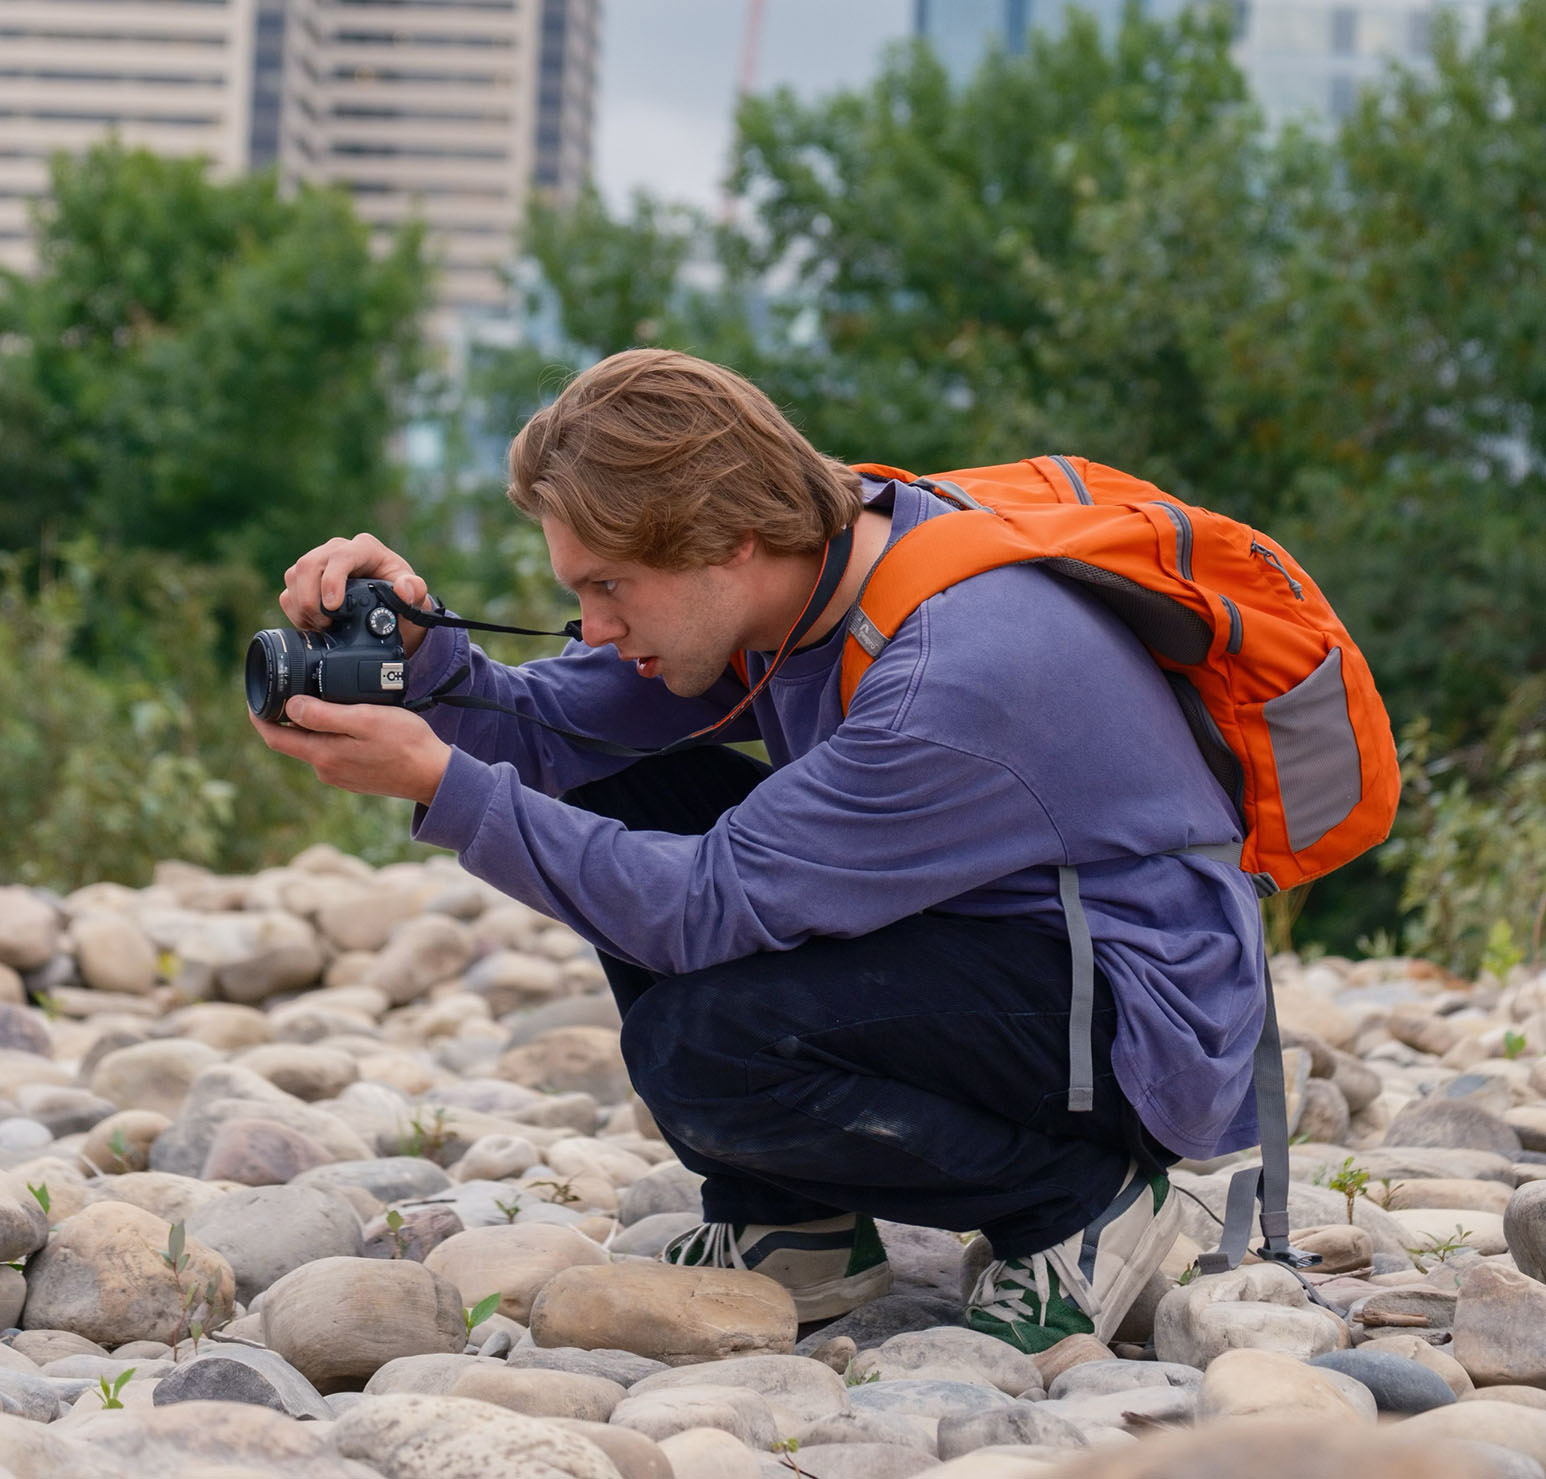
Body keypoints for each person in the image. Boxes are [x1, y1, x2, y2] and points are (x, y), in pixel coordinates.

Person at [252, 347, 1266, 1352]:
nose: (594, 629)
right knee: (616, 779)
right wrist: (420, 659)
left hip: (1135, 1024)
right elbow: (556, 738)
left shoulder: (949, 673)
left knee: (703, 1048)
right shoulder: (802, 568)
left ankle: (1080, 1206)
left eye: (611, 586)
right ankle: (796, 1228)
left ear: (728, 540)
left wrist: (440, 785)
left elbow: (702, 910)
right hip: (987, 936)